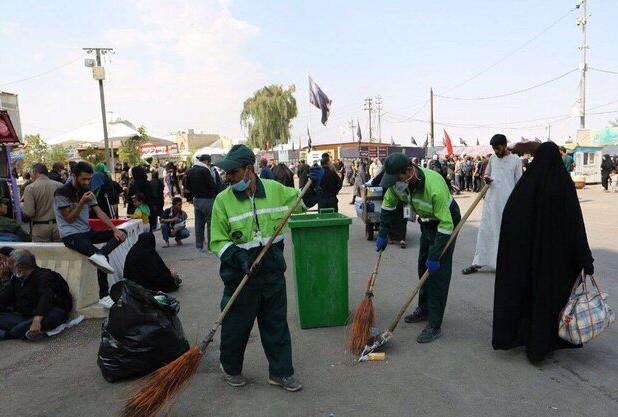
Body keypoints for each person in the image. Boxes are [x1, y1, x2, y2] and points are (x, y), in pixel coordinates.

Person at [210, 144, 322, 392]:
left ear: (249, 170)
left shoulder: (275, 190)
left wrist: (316, 185)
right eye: (227, 173)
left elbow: (302, 204)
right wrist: (239, 257)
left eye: (233, 172)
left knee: (276, 325)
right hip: (240, 273)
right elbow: (217, 241)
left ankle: (281, 372)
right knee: (236, 326)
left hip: (271, 270)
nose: (228, 178)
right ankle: (230, 367)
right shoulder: (222, 201)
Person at [493, 142, 595, 363]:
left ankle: (531, 343)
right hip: (556, 262)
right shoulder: (563, 185)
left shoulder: (527, 185)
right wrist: (586, 259)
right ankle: (544, 345)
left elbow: (511, 218)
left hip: (528, 261)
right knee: (550, 301)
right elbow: (576, 224)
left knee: (530, 299)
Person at [376, 152, 461, 343]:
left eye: (397, 178)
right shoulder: (397, 183)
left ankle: (434, 324)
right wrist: (383, 233)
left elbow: (446, 225)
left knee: (437, 273)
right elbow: (388, 207)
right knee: (423, 267)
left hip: (446, 222)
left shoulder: (434, 186)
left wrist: (436, 254)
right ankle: (423, 310)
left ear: (409, 171)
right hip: (426, 222)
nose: (395, 183)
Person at [54, 161, 127, 308]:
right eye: (84, 179)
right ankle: (104, 296)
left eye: (89, 179)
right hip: (71, 235)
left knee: (122, 233)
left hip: (87, 232)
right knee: (101, 258)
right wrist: (81, 202)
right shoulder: (61, 193)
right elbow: (69, 218)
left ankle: (101, 256)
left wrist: (114, 229)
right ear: (74, 176)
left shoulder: (88, 192)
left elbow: (100, 212)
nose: (87, 182)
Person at [463, 134, 522, 275]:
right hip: (491, 202)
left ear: (505, 145)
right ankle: (477, 263)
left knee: (505, 234)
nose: (496, 151)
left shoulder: (516, 160)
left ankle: (504, 264)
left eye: (498, 148)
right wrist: (486, 179)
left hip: (507, 203)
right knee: (486, 232)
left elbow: (519, 182)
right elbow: (487, 175)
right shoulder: (493, 159)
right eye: (494, 148)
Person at [0, 249, 72, 341]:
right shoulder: (17, 279)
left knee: (53, 316)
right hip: (25, 316)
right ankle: (24, 331)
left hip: (46, 314)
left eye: (10, 264)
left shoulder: (45, 276)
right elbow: (4, 298)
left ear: (19, 266)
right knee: (20, 324)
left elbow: (45, 298)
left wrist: (37, 321)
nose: (9, 267)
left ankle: (10, 334)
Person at [186, 154, 219, 253]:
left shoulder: (190, 170)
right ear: (207, 161)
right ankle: (210, 247)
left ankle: (199, 246)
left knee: (199, 224)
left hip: (197, 200)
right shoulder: (205, 170)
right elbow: (212, 185)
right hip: (208, 199)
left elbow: (187, 186)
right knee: (210, 224)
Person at [21, 163, 62, 242]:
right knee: (59, 252)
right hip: (59, 227)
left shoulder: (30, 188)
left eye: (31, 173)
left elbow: (29, 212)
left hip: (39, 228)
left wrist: (23, 207)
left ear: (35, 173)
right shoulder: (60, 186)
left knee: (41, 253)